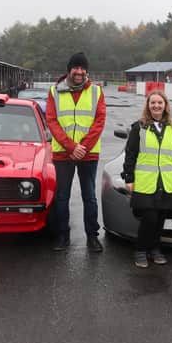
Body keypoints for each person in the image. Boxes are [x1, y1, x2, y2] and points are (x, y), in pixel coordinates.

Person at [46, 52, 106, 252]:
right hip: (63, 154)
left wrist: (83, 148)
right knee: (62, 197)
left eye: (82, 68)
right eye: (76, 68)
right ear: (69, 70)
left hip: (88, 154)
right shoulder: (54, 92)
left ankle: (92, 237)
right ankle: (63, 236)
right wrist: (71, 147)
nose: (79, 72)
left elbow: (99, 121)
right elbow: (52, 121)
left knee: (89, 197)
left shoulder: (96, 92)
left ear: (86, 70)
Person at [121, 90, 172, 268]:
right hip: (146, 182)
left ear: (165, 106)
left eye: (160, 103)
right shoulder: (139, 127)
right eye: (153, 103)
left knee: (160, 219)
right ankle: (141, 250)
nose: (156, 106)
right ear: (148, 106)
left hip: (167, 181)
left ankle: (155, 249)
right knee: (149, 218)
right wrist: (128, 177)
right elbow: (130, 155)